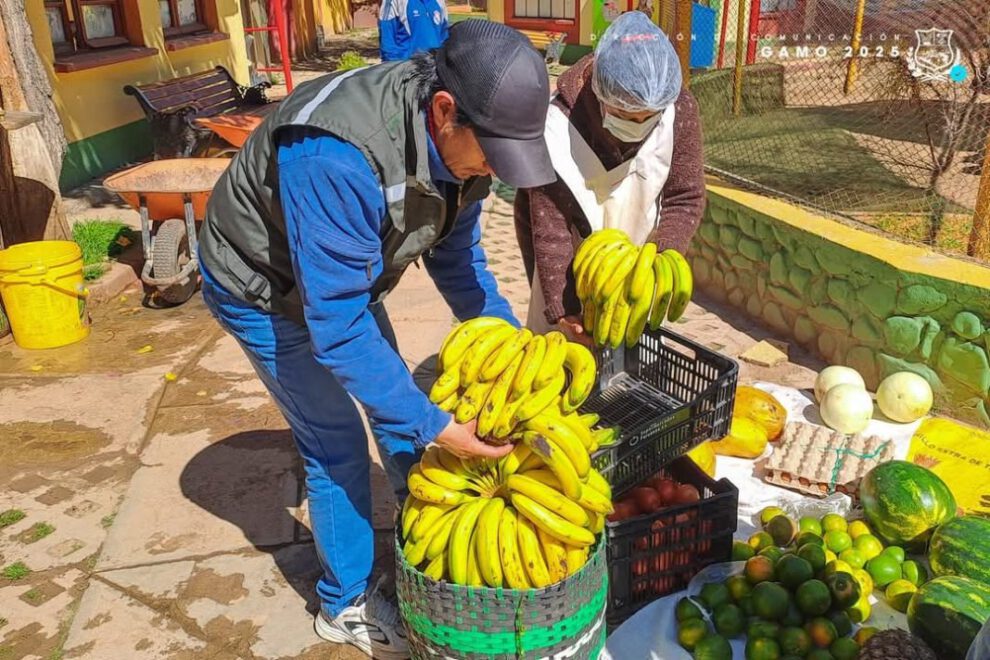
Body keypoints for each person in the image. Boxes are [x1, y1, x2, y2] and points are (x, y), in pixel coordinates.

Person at [197, 20, 554, 660]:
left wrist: (509, 350)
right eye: (492, 156)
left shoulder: (462, 142)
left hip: (341, 283)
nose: (495, 174)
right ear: (445, 111)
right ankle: (346, 602)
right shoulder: (334, 155)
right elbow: (335, 328)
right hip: (262, 285)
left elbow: (459, 261)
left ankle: (420, 534)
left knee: (399, 417)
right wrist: (440, 428)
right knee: (334, 439)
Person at [513, 12, 705, 338]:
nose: (634, 127)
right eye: (623, 115)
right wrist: (564, 308)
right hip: (565, 262)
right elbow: (551, 227)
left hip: (634, 265)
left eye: (648, 118)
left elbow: (684, 196)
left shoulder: (679, 110)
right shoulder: (556, 127)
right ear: (599, 93)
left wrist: (658, 263)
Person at [378, 0, 449, 61]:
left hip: (435, 67)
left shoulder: (439, 1)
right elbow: (387, 42)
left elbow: (444, 36)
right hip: (407, 69)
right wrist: (396, 70)